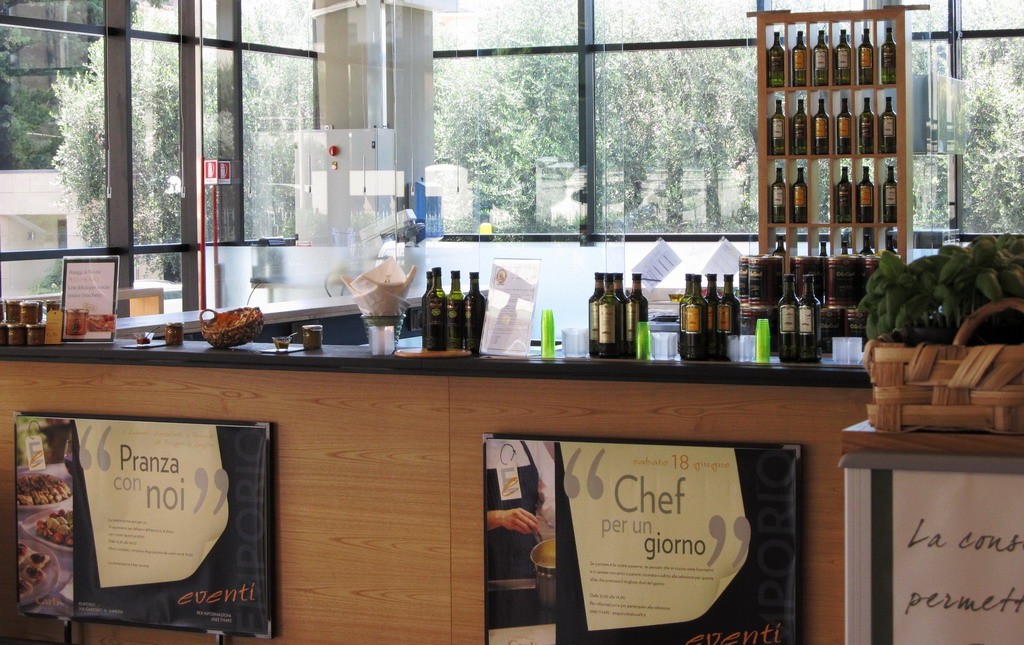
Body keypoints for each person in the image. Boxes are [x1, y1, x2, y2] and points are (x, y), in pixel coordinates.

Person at [484, 439, 555, 581]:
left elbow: (553, 499)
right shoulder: (469, 446)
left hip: (526, 559)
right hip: (483, 562)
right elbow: (459, 519)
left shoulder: (532, 443)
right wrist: (498, 517)